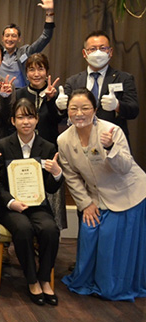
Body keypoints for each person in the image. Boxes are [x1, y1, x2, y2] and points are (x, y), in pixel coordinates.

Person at [59, 88, 146, 301]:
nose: (79, 113)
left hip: (126, 195)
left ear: (95, 110)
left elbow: (125, 167)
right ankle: (87, 280)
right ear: (67, 111)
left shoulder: (112, 131)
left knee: (109, 238)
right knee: (89, 233)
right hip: (95, 198)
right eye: (74, 108)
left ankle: (112, 285)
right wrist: (85, 204)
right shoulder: (63, 140)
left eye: (85, 108)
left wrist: (111, 147)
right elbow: (71, 176)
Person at [0, 98, 62, 305]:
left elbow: (50, 188)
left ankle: (44, 279)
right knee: (23, 228)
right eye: (21, 117)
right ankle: (32, 280)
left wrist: (57, 174)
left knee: (50, 229)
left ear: (37, 119)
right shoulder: (3, 145)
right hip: (10, 207)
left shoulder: (47, 147)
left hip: (37, 205)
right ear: (13, 121)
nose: (26, 122)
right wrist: (11, 202)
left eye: (30, 117)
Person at [57, 30, 139, 143]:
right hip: (80, 140)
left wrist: (117, 105)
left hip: (112, 140)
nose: (98, 52)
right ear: (85, 53)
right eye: (93, 49)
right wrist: (60, 107)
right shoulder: (73, 81)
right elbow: (63, 115)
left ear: (110, 52)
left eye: (103, 48)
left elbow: (133, 110)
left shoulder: (124, 78)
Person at [16, 53, 67, 229]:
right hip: (24, 152)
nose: (36, 74)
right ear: (26, 73)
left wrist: (52, 100)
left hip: (48, 151)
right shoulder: (20, 94)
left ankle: (50, 234)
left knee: (50, 193)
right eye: (31, 69)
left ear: (47, 72)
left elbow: (59, 119)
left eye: (40, 69)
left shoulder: (57, 93)